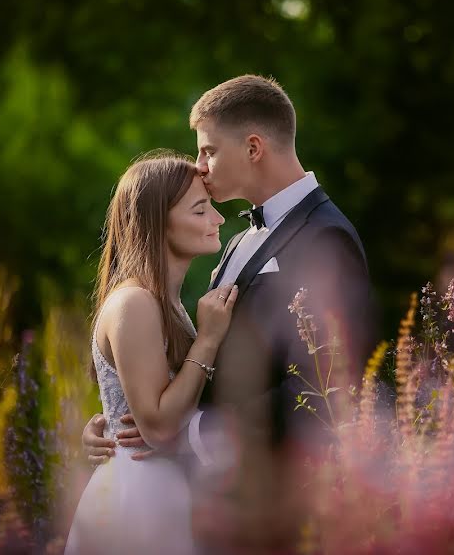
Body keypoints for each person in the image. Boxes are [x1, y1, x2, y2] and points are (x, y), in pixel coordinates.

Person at [82, 76, 374, 551]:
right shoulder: (237, 240)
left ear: (254, 147)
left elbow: (326, 384)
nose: (200, 165)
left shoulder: (324, 238)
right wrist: (116, 419)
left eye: (208, 151)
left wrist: (194, 432)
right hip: (211, 505)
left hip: (277, 506)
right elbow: (202, 369)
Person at [64, 152, 238, 555]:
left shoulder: (165, 303)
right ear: (158, 222)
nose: (218, 219)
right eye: (201, 210)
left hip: (162, 490)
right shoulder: (136, 303)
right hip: (140, 495)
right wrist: (207, 341)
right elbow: (158, 428)